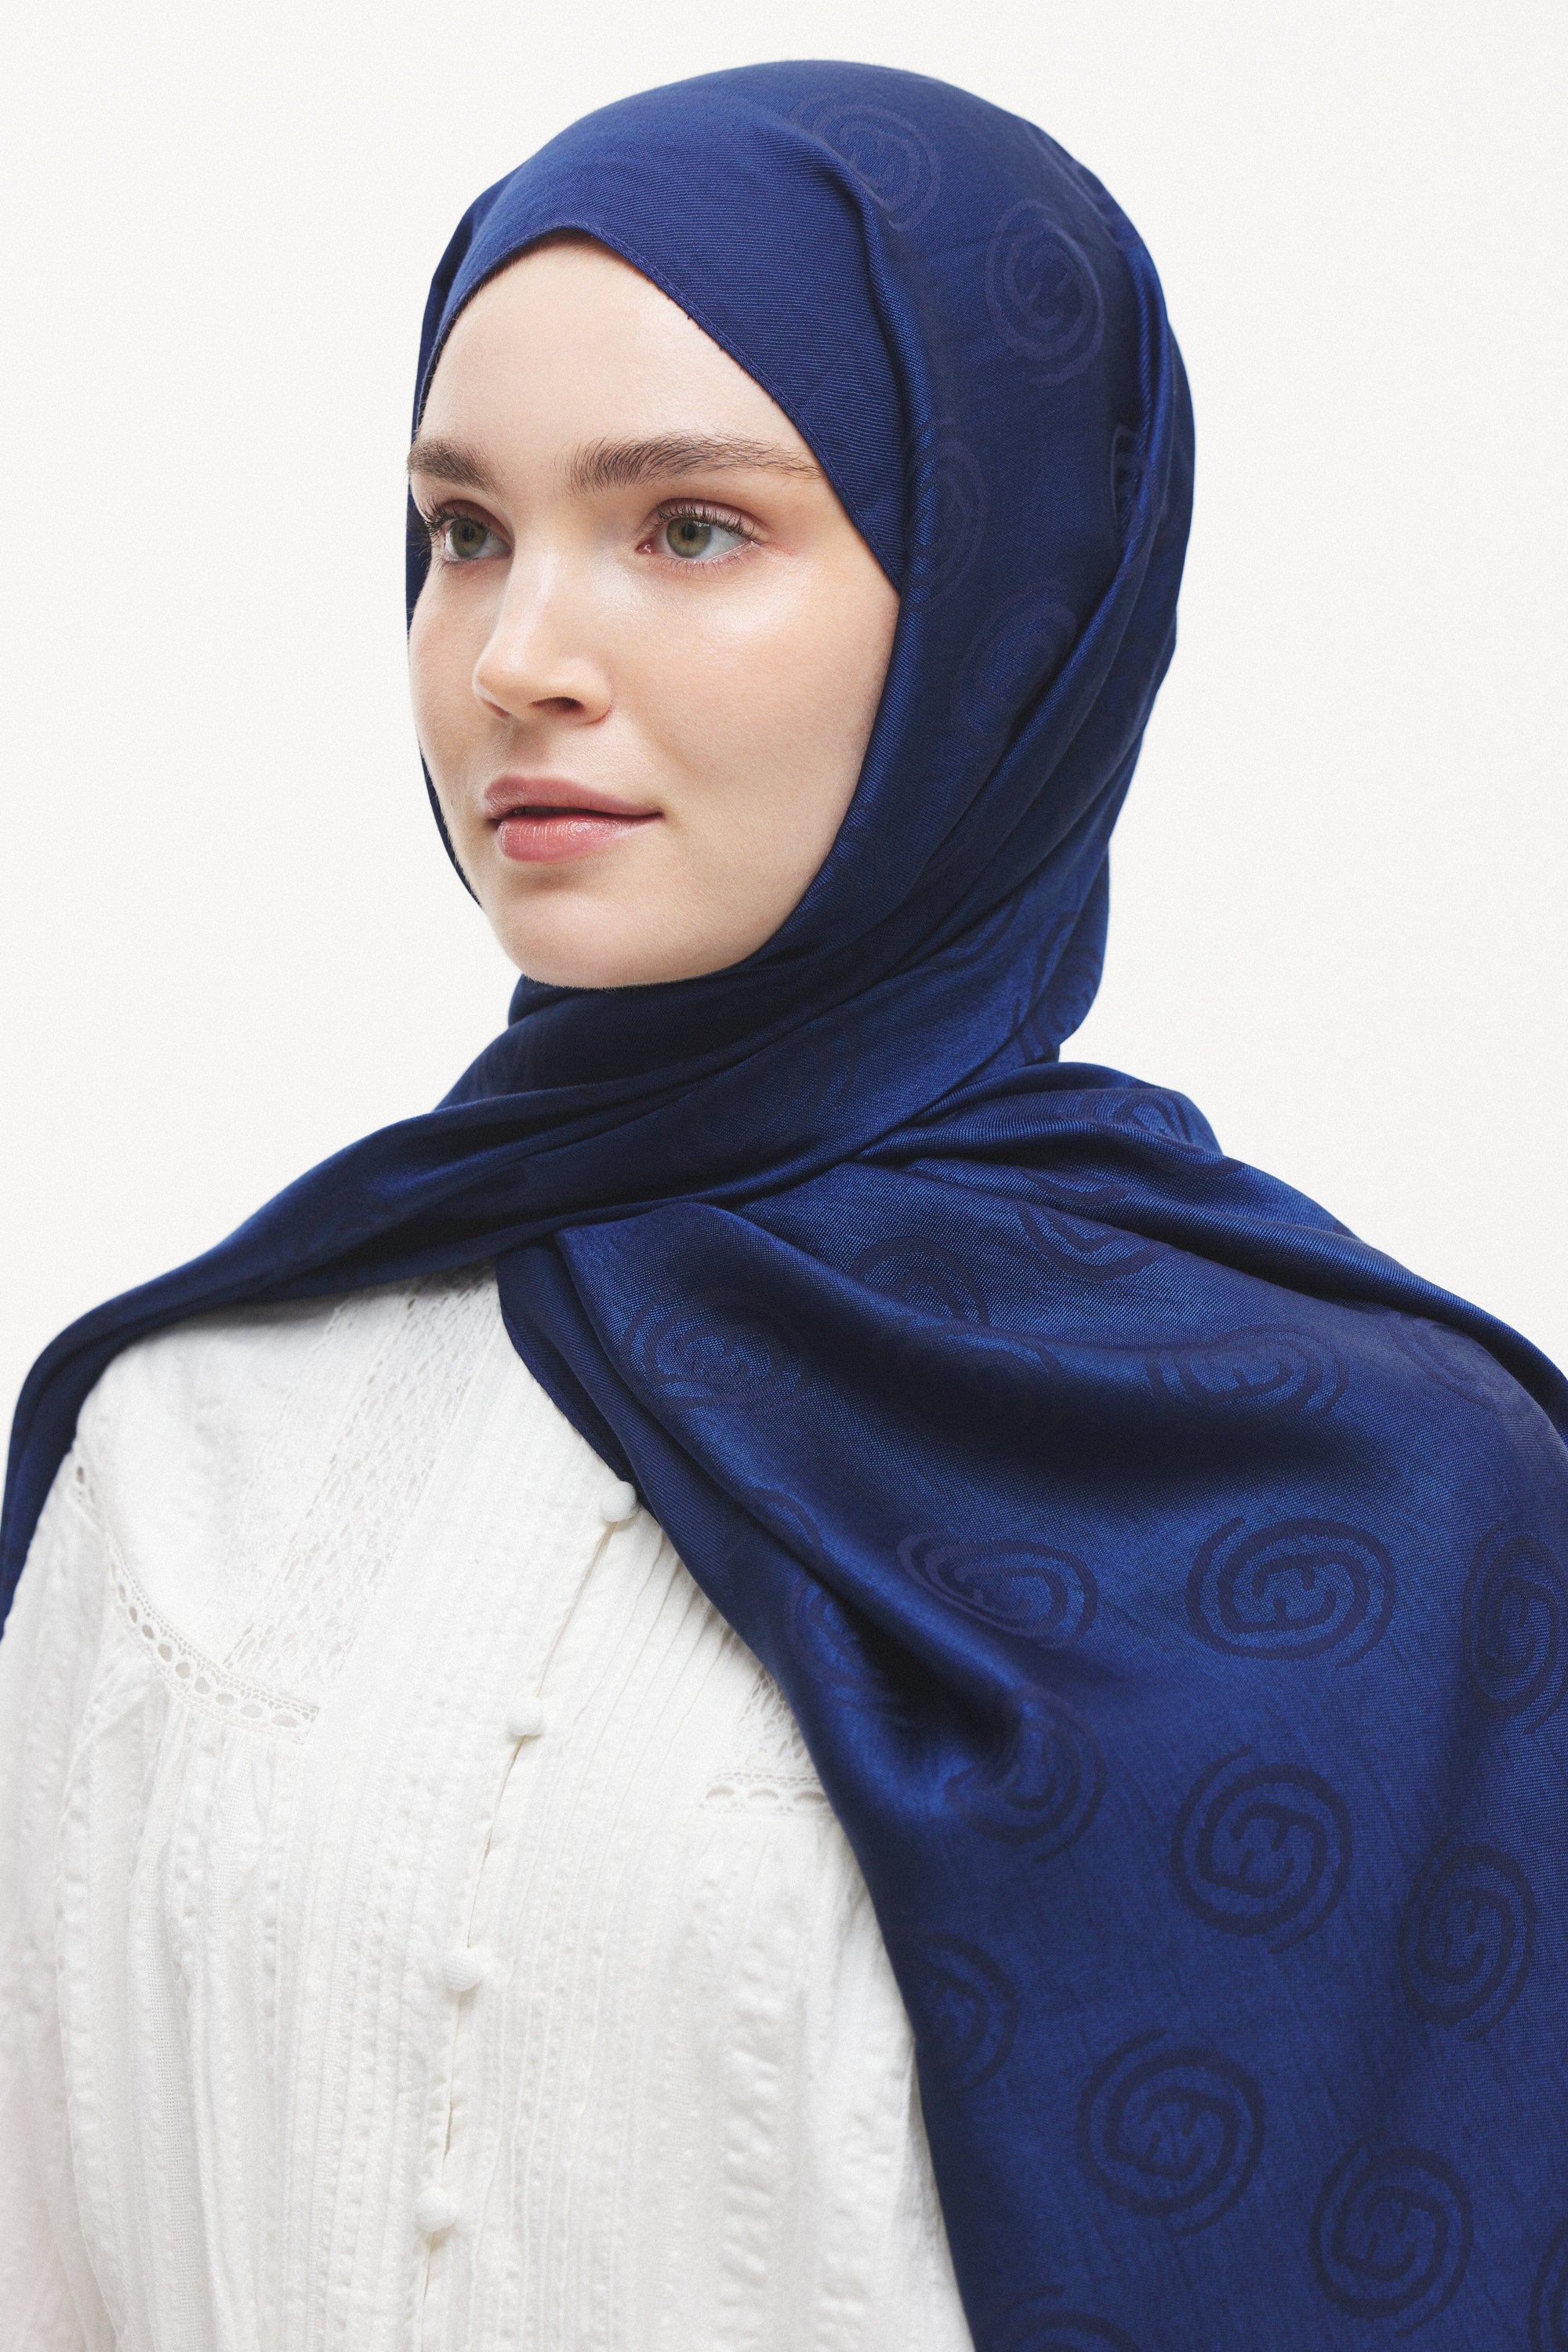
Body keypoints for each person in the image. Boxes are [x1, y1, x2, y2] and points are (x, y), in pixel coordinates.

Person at [2, 58, 1565, 2352]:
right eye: (463, 530)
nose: (516, 656)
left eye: (690, 528)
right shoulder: (185, 1450)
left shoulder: (1401, 1500)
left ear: (1009, 609)